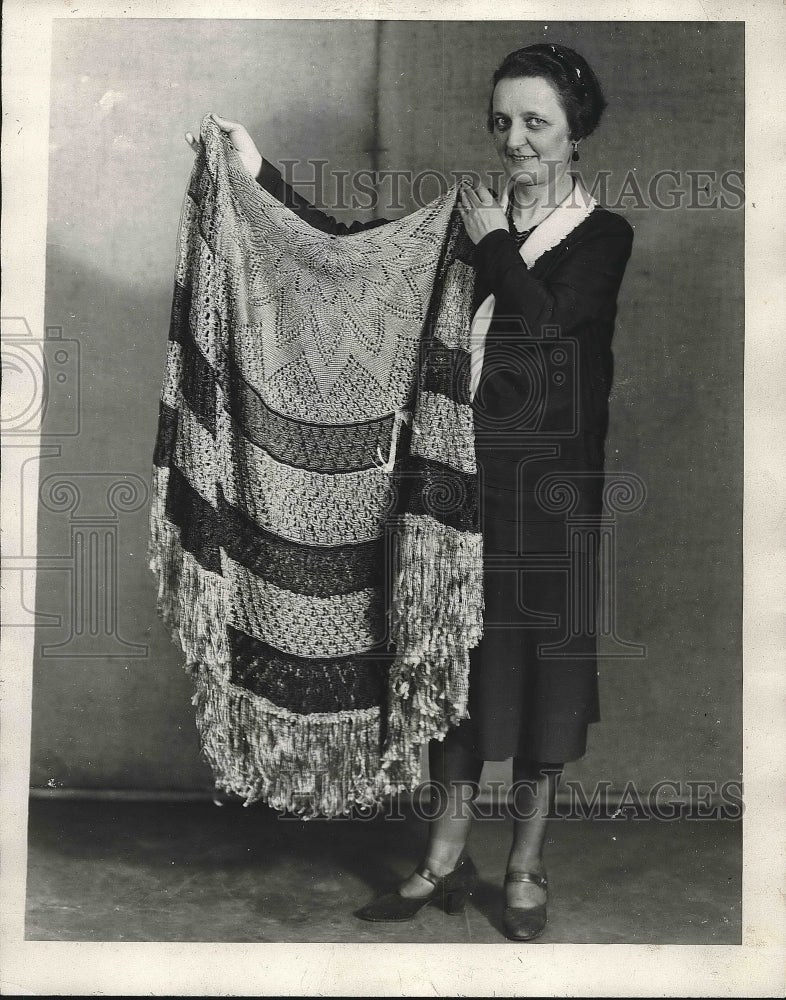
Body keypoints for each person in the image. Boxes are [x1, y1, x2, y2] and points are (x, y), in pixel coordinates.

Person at [184, 42, 634, 941]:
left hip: (549, 498)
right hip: (454, 492)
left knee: (545, 692)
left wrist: (494, 239)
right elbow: (353, 257)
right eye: (502, 121)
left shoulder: (602, 235)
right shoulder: (462, 222)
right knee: (452, 674)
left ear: (575, 131)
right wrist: (256, 172)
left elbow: (547, 324)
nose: (515, 140)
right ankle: (440, 861)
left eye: (536, 122)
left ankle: (526, 866)